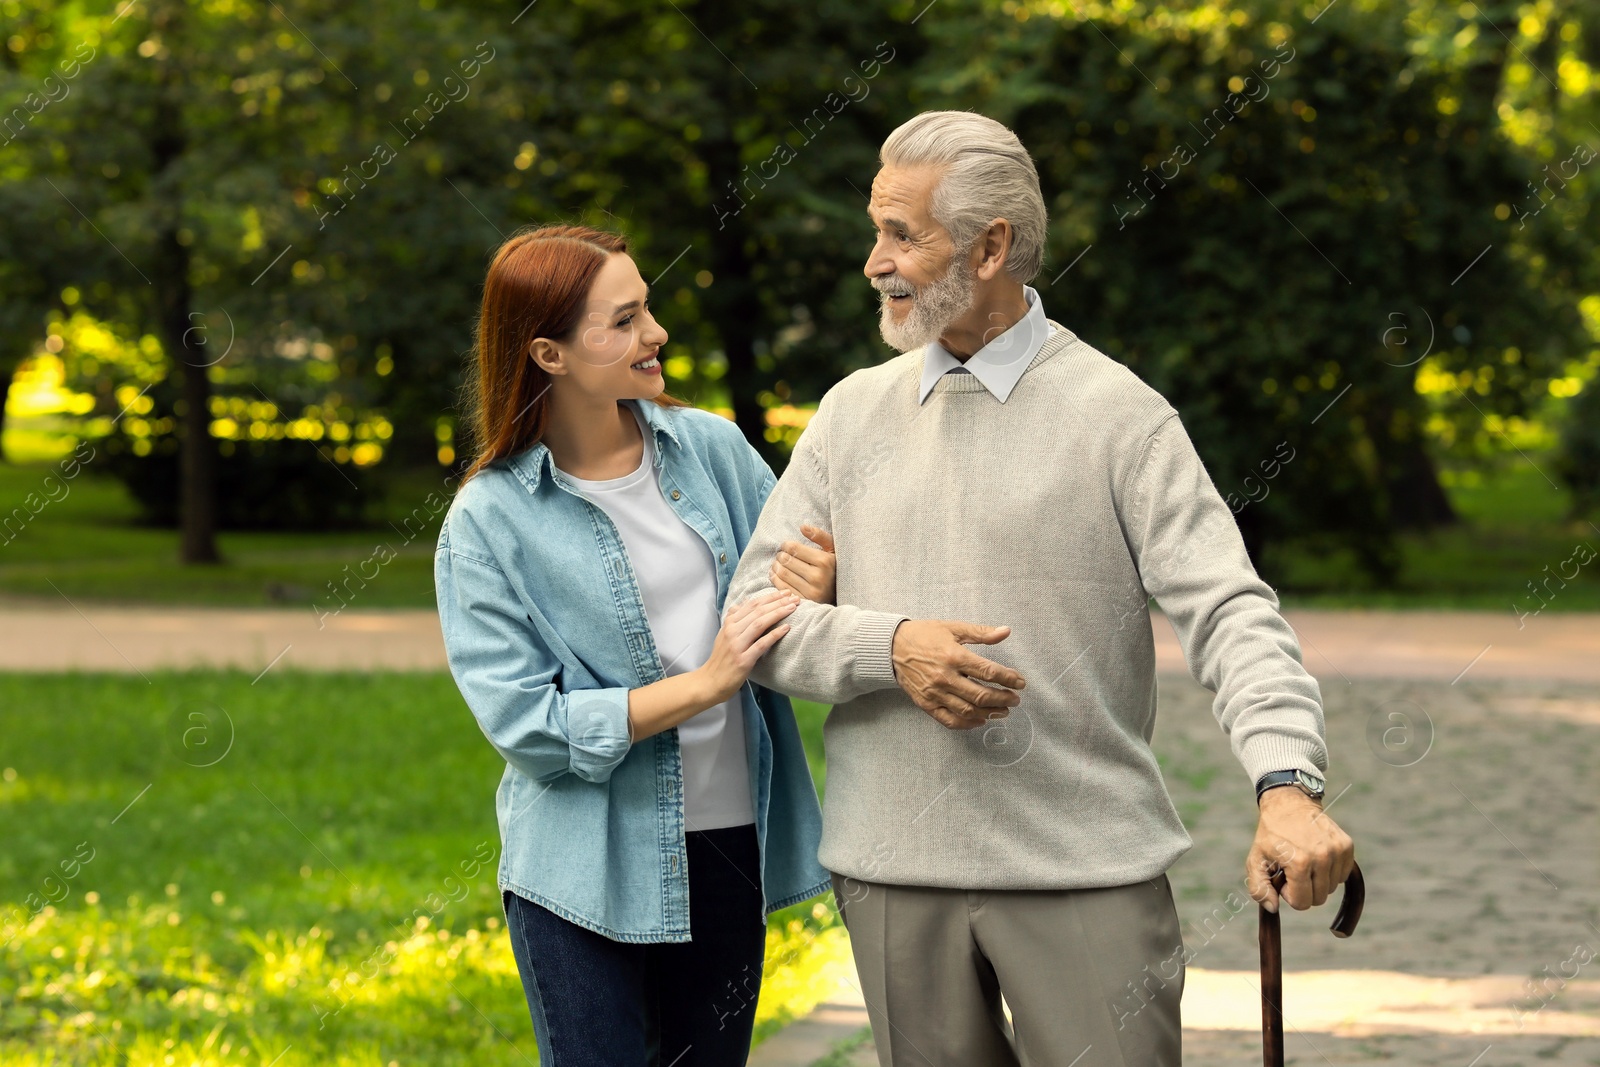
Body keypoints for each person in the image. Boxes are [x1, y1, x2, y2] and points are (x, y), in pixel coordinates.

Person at [725, 111, 1358, 1066]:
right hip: (893, 872)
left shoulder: (1122, 418)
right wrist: (888, 645)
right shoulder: (849, 415)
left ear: (990, 246)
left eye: (902, 233)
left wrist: (1287, 780)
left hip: (1085, 872)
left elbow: (1230, 609)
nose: (874, 261)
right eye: (876, 228)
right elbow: (752, 624)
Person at [434, 224, 837, 1066]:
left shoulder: (715, 451)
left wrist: (824, 573)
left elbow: (801, 580)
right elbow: (528, 727)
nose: (654, 334)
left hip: (729, 844)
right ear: (548, 352)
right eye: (622, 321)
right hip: (582, 869)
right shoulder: (488, 519)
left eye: (646, 307)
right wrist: (708, 682)